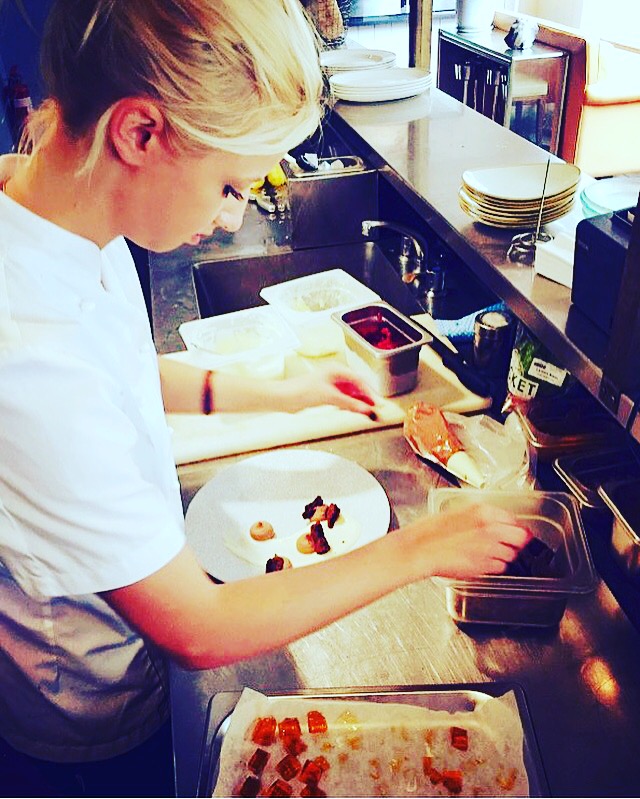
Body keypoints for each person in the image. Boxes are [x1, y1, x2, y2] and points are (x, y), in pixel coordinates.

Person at [0, 0, 531, 796]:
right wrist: (420, 550)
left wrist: (288, 391)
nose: (229, 217)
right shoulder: (33, 358)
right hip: (88, 720)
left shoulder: (54, 212)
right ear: (139, 132)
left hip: (112, 659)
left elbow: (124, 376)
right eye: (226, 182)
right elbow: (199, 629)